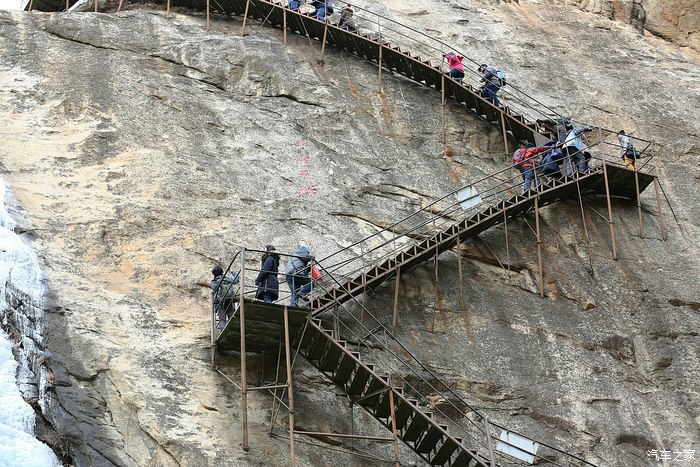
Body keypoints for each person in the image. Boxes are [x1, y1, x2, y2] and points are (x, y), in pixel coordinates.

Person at [210, 265, 239, 330]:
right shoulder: (228, 279)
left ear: (214, 274)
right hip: (229, 300)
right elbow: (236, 279)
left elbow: (214, 288)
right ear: (222, 272)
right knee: (231, 316)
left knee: (222, 319)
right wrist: (232, 272)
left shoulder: (214, 281)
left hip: (220, 302)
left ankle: (223, 330)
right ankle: (233, 330)